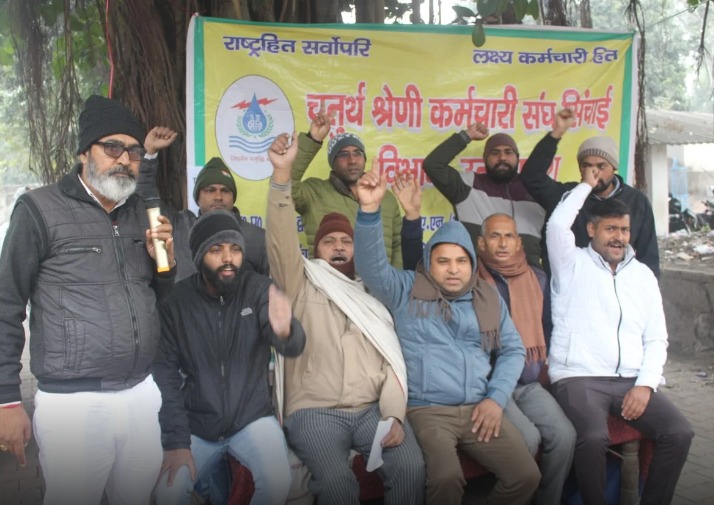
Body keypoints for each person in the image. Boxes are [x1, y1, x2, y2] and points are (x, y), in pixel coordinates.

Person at [0, 94, 176, 505]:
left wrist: (164, 263)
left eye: (134, 151)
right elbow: (6, 303)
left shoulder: (141, 212)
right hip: (73, 405)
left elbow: (158, 296)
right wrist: (7, 399)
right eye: (112, 147)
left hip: (139, 393)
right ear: (84, 153)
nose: (125, 159)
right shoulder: (39, 209)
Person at [353, 169, 540, 505]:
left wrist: (495, 399)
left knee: (526, 476)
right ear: (429, 262)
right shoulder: (407, 289)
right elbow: (372, 267)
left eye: (461, 261)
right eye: (443, 261)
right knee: (445, 478)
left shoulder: (486, 296)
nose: (453, 269)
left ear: (472, 263)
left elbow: (513, 350)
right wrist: (369, 211)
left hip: (479, 407)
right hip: (428, 410)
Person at [267, 133, 425, 505]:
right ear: (316, 248)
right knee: (338, 485)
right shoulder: (300, 281)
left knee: (411, 467)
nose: (338, 246)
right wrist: (281, 176)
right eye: (329, 241)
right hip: (314, 412)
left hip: (371, 411)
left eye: (346, 241)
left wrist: (394, 415)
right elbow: (280, 238)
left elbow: (391, 365)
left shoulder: (372, 294)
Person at [545, 167, 693, 505]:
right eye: (610, 229)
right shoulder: (570, 264)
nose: (619, 237)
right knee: (593, 437)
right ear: (591, 229)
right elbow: (556, 226)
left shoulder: (642, 276)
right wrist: (586, 185)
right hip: (578, 377)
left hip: (630, 379)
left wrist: (646, 384)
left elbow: (657, 338)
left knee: (679, 432)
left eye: (624, 230)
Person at [152, 210, 305, 505]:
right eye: (216, 249)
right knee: (168, 493)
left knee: (278, 482)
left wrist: (285, 331)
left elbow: (292, 346)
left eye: (235, 249)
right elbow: (165, 377)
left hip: (251, 418)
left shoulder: (258, 289)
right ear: (199, 256)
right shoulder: (176, 302)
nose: (228, 258)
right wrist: (176, 442)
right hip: (197, 425)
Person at [475, 213, 575, 505]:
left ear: (519, 243)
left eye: (509, 236)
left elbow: (547, 328)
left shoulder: (538, 279)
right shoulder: (470, 281)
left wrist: (541, 368)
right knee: (527, 439)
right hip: (491, 385)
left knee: (565, 436)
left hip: (528, 382)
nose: (502, 243)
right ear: (481, 243)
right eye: (495, 236)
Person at [520, 108, 660, 276]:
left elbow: (648, 256)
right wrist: (556, 134)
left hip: (616, 285)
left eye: (601, 166)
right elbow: (531, 177)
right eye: (586, 165)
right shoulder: (566, 196)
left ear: (614, 167)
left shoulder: (636, 201)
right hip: (570, 284)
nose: (594, 172)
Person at [136, 130, 268, 279]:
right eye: (210, 190)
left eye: (225, 191)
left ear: (233, 198)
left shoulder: (257, 238)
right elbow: (147, 197)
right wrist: (150, 154)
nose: (218, 197)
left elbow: (269, 286)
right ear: (197, 198)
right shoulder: (180, 227)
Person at [290, 107, 403, 266]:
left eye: (357, 153)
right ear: (332, 162)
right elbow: (283, 185)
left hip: (376, 282)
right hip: (328, 280)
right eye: (343, 154)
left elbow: (398, 249)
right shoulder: (314, 192)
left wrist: (393, 282)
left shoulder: (386, 198)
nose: (352, 160)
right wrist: (312, 139)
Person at [422, 122, 546, 266]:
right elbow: (433, 165)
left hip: (529, 275)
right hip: (480, 278)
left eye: (508, 152)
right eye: (495, 153)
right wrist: (466, 135)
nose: (502, 157)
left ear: (517, 158)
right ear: (485, 159)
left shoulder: (536, 190)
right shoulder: (469, 185)